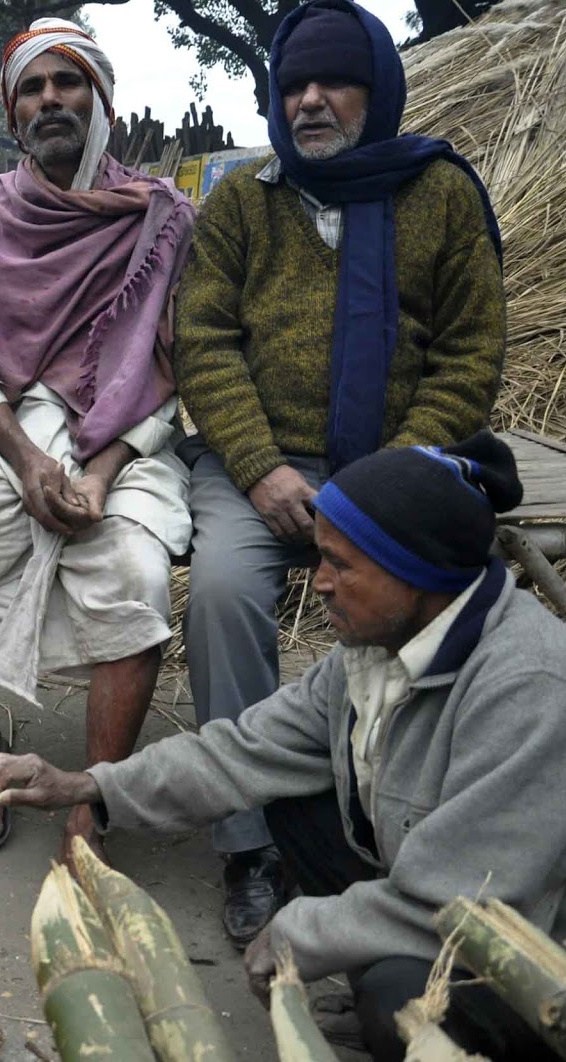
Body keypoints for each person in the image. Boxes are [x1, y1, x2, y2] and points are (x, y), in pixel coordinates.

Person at [0, 431, 564, 1062]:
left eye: (340, 565)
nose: (320, 586)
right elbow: (242, 751)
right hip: (436, 876)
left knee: (400, 998)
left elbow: (470, 902)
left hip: (529, 944)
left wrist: (304, 933)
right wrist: (87, 784)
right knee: (289, 794)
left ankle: (432, 1021)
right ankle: (380, 983)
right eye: (320, 560)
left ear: (415, 576)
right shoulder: (373, 650)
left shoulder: (526, 684)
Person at [172, 0, 506, 945]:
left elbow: (474, 353)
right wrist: (262, 465)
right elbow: (202, 340)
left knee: (430, 603)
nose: (311, 100)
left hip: (401, 465)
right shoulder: (246, 200)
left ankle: (419, 823)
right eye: (294, 86)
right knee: (226, 592)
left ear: (378, 87)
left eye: (333, 82)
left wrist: (392, 475)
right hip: (260, 468)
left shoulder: (440, 194)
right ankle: (252, 846)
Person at [0, 20, 194, 860]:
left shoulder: (164, 221)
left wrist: (98, 475)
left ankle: (95, 798)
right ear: (14, 112)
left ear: (101, 98)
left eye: (68, 83)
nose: (51, 99)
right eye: (33, 88)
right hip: (4, 430)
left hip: (122, 442)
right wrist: (26, 462)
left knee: (135, 571)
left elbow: (173, 379)